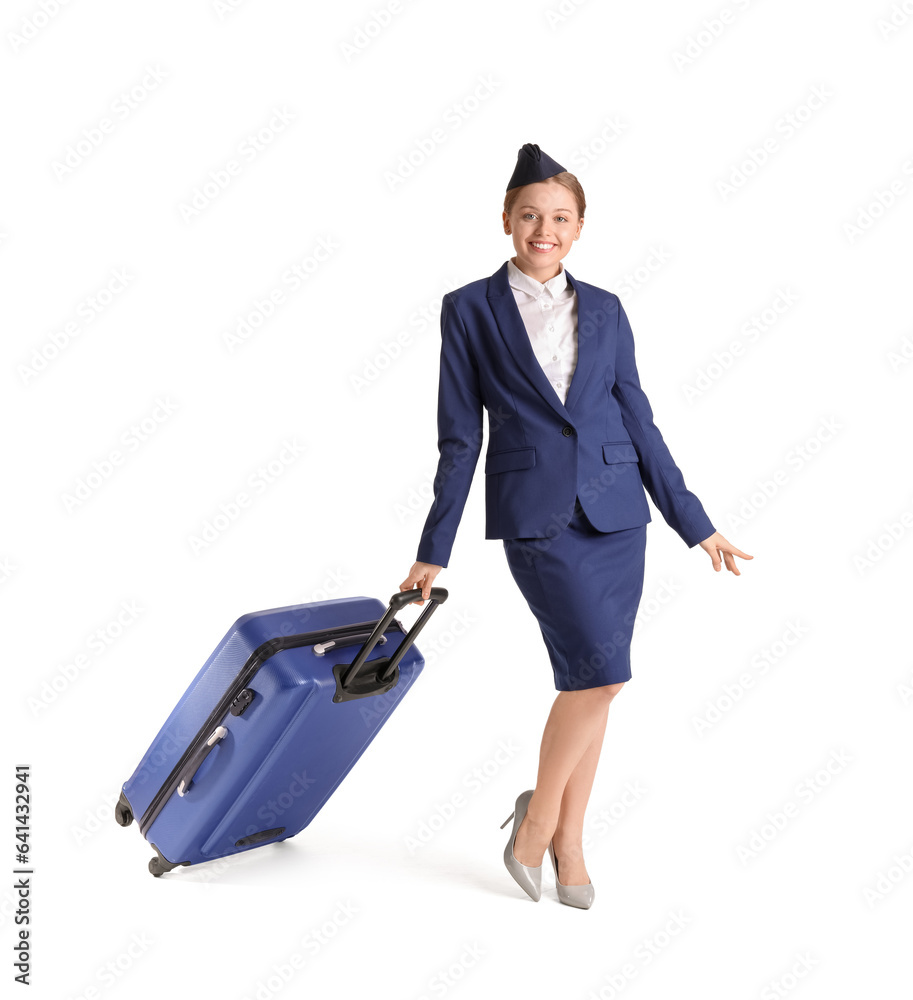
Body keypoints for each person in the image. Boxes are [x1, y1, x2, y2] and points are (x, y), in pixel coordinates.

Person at [399, 143, 752, 908]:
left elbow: (639, 420)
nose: (543, 228)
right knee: (601, 675)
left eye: (560, 216)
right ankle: (533, 828)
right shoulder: (467, 308)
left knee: (597, 685)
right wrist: (433, 550)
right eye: (529, 215)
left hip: (620, 516)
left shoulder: (608, 308)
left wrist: (696, 524)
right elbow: (460, 437)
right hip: (539, 519)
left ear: (580, 226)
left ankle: (568, 837)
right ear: (505, 220)